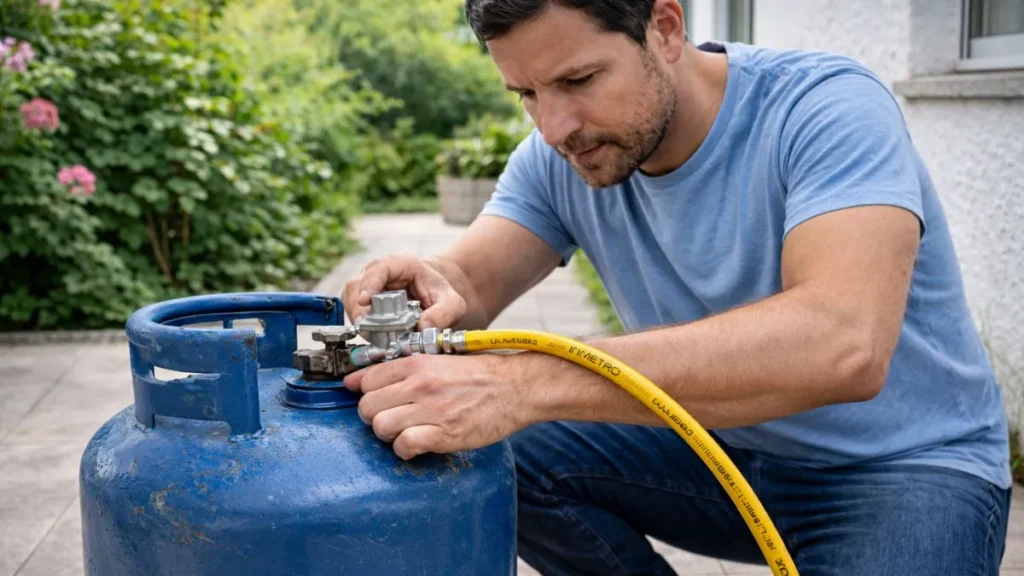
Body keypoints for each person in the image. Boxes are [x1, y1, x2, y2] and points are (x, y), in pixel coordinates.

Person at [340, 1, 1013, 574]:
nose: (554, 127)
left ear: (664, 28)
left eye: (578, 79)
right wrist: (433, 283)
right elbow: (471, 278)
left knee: (514, 409)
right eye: (527, 94)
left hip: (903, 467)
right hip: (725, 452)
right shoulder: (559, 159)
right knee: (493, 453)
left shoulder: (825, 109)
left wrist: (524, 383)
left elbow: (843, 344)